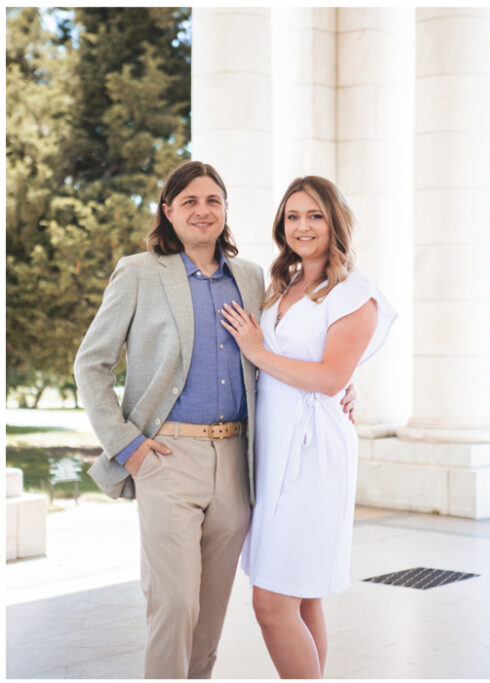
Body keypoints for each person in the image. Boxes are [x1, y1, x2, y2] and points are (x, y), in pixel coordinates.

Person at [74, 161, 266, 678]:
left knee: (211, 612)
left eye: (212, 201)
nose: (202, 211)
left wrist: (343, 384)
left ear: (226, 210)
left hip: (236, 459)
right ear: (169, 211)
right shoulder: (138, 271)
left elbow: (276, 356)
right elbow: (90, 363)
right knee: (175, 604)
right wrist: (126, 444)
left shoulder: (250, 278)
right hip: (165, 456)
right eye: (189, 202)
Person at [219, 175, 396, 678]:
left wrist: (257, 350)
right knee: (303, 596)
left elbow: (332, 376)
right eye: (293, 216)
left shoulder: (354, 290)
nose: (302, 226)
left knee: (272, 605)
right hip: (273, 449)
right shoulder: (284, 286)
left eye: (315, 215)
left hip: (314, 454)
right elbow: (320, 368)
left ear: (334, 222)